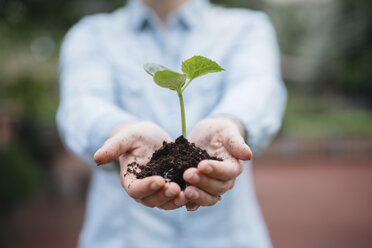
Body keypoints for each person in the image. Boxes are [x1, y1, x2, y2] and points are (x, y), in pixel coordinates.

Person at [57, 0, 287, 247]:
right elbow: (82, 104)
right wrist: (121, 132)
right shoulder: (91, 34)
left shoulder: (247, 27)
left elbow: (258, 90)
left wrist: (230, 122)